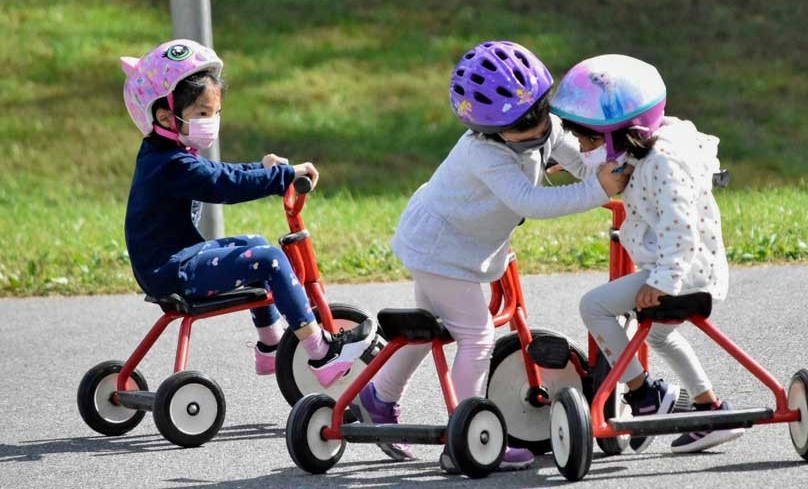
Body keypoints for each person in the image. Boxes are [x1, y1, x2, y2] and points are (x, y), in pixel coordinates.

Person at [354, 41, 631, 472]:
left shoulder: (545, 127)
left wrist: (618, 171)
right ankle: (468, 439)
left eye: (541, 114)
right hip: (440, 249)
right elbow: (531, 202)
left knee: (429, 328)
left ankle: (379, 397)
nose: (538, 131)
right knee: (477, 337)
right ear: (487, 129)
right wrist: (599, 190)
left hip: (450, 244)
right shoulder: (483, 153)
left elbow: (580, 165)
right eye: (522, 126)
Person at [120, 39, 374, 387]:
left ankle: (271, 346)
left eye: (216, 113)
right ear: (166, 116)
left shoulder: (163, 154)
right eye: (202, 114)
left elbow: (220, 173)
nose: (212, 121)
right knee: (269, 260)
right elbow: (223, 184)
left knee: (253, 243)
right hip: (173, 272)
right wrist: (281, 176)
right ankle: (322, 353)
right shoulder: (173, 165)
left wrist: (262, 167)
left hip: (170, 263)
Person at [550, 54, 745, 454]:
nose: (584, 148)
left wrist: (662, 282)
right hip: (681, 268)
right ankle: (711, 410)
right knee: (659, 335)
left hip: (683, 272)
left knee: (594, 307)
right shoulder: (639, 149)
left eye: (588, 141)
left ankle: (643, 394)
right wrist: (567, 154)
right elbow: (597, 173)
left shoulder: (663, 165)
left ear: (617, 136)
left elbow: (682, 228)